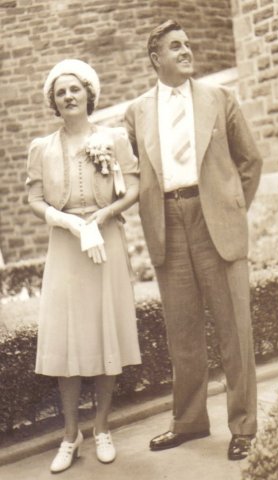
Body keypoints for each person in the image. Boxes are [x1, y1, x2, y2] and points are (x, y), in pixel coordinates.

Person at [124, 20, 262, 460]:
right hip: (167, 219)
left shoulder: (220, 99)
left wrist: (231, 208)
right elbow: (133, 173)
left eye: (188, 43)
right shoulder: (137, 112)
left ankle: (243, 425)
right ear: (155, 59)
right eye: (175, 46)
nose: (186, 51)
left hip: (215, 220)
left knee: (233, 330)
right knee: (182, 332)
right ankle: (188, 422)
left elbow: (251, 161)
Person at [27, 59, 142, 473]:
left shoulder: (112, 138)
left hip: (106, 239)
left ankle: (102, 428)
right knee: (68, 336)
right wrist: (66, 220)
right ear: (54, 103)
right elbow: (35, 198)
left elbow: (135, 185)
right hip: (65, 244)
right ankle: (70, 435)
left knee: (105, 330)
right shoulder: (42, 147)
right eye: (61, 93)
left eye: (75, 89)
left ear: (89, 95)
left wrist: (105, 214)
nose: (69, 96)